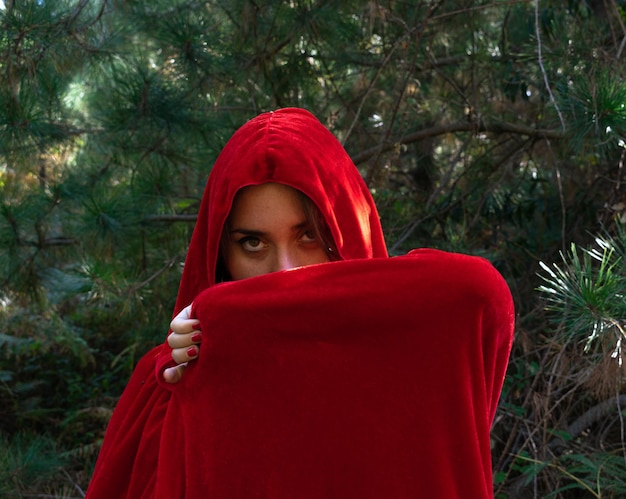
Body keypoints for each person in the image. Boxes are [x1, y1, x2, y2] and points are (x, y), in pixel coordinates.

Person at [87, 108, 514, 498]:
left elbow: (479, 293)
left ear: (346, 229)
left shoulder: (413, 358)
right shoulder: (173, 376)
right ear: (219, 257)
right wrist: (186, 399)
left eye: (308, 235)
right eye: (253, 243)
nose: (285, 272)